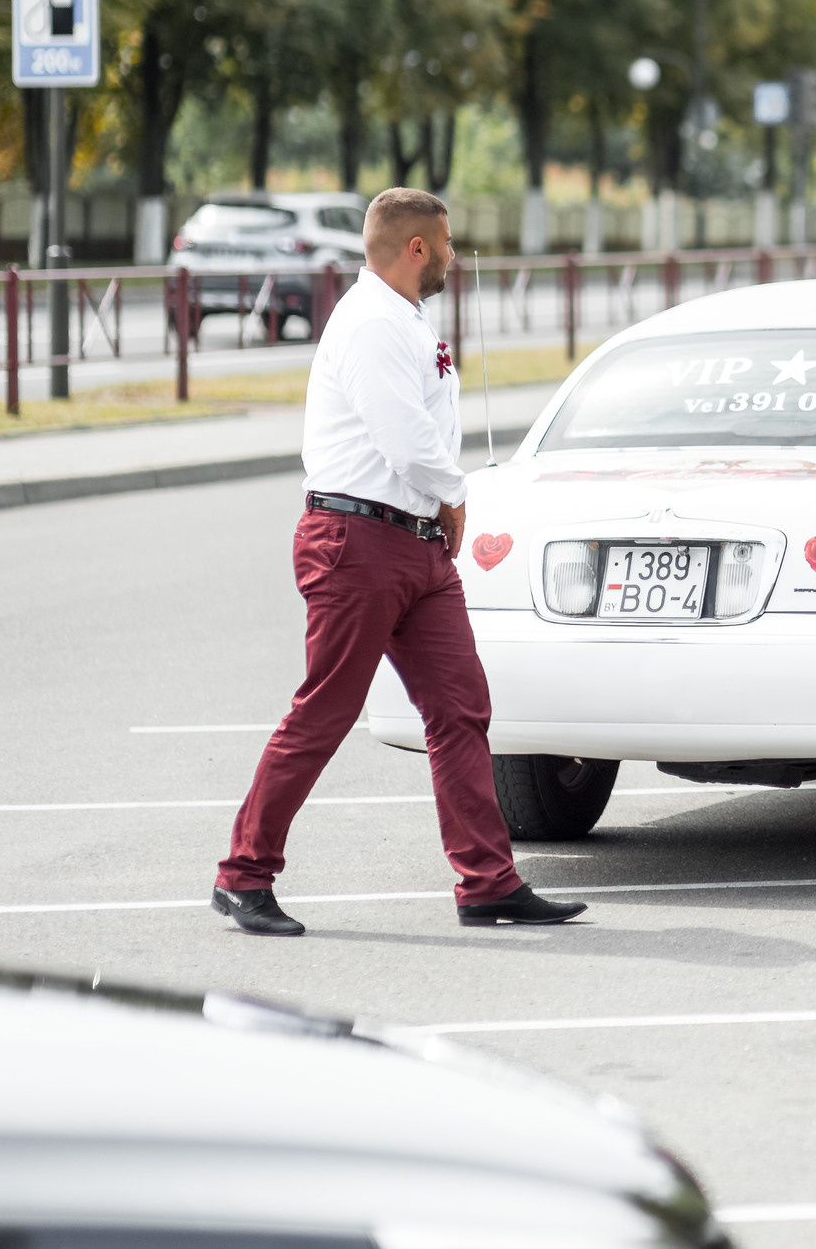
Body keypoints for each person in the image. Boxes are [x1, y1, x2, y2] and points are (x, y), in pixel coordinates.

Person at [214, 189, 587, 936]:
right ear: (416, 248)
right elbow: (405, 438)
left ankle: (487, 882)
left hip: (413, 545)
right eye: (445, 243)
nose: (453, 254)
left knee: (460, 707)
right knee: (323, 710)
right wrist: (456, 498)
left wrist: (438, 512)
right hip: (357, 541)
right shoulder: (371, 323)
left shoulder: (404, 319)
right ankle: (242, 875)